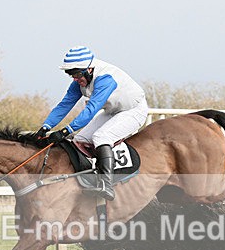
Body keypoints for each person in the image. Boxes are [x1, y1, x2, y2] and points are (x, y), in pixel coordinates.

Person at [30, 46, 148, 200]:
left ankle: (107, 184)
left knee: (101, 137)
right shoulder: (79, 82)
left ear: (90, 69)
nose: (75, 79)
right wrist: (46, 127)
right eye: (71, 74)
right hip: (113, 112)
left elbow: (91, 109)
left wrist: (65, 131)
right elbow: (65, 104)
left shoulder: (105, 78)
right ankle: (89, 178)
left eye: (77, 74)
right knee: (79, 140)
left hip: (133, 110)